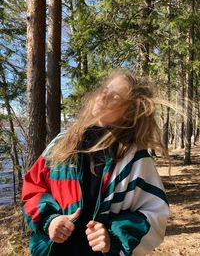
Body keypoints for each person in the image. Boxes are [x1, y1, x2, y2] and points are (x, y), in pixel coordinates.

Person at [22, 68, 170, 256]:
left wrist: (112, 237)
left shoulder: (134, 159)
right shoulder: (61, 143)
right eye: (105, 89)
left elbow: (156, 214)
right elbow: (33, 186)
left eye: (115, 96)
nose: (103, 95)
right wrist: (49, 220)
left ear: (130, 112)